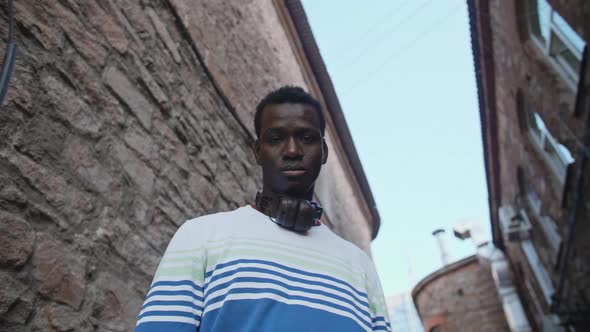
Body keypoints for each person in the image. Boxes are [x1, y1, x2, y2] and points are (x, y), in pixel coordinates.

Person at [134, 86, 391, 331]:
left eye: (307, 138)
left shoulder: (360, 266)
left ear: (324, 152)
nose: (292, 150)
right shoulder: (200, 236)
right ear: (258, 151)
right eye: (277, 138)